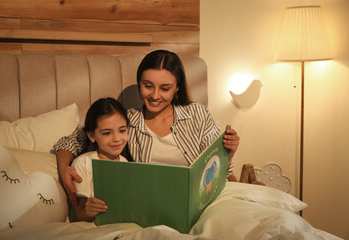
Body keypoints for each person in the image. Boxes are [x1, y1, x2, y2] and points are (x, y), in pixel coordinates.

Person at [54, 49, 240, 205]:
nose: (155, 95)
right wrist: (63, 167)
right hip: (153, 203)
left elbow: (219, 170)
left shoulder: (198, 114)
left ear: (177, 88)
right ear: (139, 83)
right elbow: (73, 140)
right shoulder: (127, 122)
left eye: (165, 88)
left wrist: (228, 155)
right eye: (148, 86)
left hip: (199, 200)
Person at [71, 97, 133, 222]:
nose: (117, 138)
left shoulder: (125, 162)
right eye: (106, 133)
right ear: (91, 135)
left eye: (122, 130)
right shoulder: (83, 163)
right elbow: (79, 214)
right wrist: (90, 211)